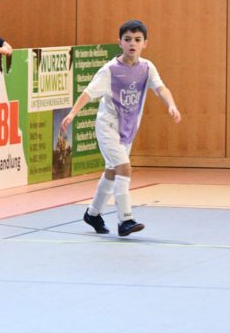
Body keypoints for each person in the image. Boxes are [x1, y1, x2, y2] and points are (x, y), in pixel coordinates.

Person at [61, 19, 181, 237]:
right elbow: (88, 93)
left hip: (128, 129)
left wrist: (171, 105)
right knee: (124, 168)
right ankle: (125, 220)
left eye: (137, 39)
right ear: (120, 42)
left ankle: (93, 213)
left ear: (145, 43)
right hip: (107, 127)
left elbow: (161, 88)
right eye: (127, 39)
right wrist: (72, 113)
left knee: (112, 171)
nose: (132, 43)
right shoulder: (110, 70)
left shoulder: (147, 67)